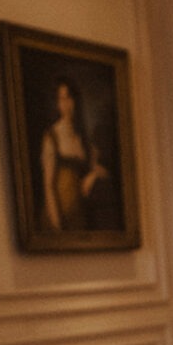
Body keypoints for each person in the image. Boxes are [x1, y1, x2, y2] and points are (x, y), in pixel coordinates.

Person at [39, 77, 109, 231]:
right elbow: (49, 186)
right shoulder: (52, 136)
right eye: (62, 99)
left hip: (80, 215)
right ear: (57, 103)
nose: (66, 105)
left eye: (69, 98)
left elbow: (101, 171)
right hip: (60, 214)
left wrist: (92, 176)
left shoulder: (83, 139)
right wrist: (57, 225)